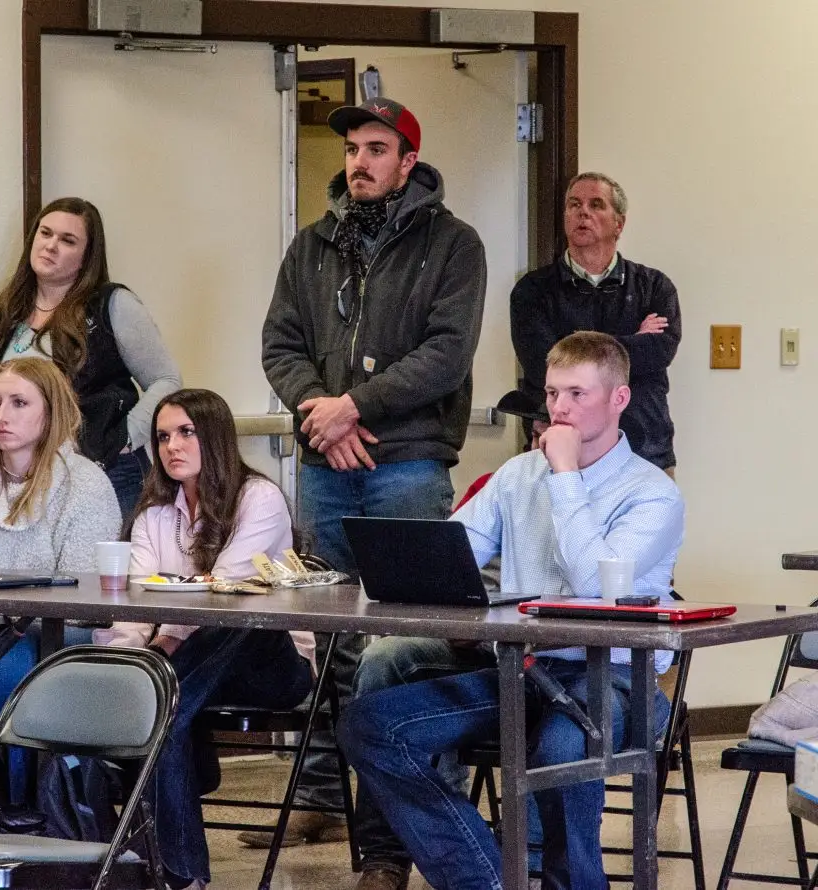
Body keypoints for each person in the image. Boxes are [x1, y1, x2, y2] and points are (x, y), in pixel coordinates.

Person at [338, 332, 684, 890]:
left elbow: (596, 580)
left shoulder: (652, 493)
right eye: (552, 394)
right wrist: (403, 566)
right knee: (372, 726)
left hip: (619, 679)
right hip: (521, 670)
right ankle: (490, 877)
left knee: (563, 744)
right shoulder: (519, 475)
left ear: (619, 399)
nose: (560, 409)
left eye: (577, 394)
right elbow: (454, 550)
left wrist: (566, 476)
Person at [256, 96, 486, 849]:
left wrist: (352, 405)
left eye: (376, 149)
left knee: (399, 645)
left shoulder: (454, 244)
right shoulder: (313, 245)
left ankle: (391, 837)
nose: (359, 162)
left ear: (408, 161)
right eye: (353, 148)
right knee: (328, 640)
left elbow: (445, 355)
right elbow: (280, 345)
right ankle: (323, 798)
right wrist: (318, 409)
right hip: (328, 467)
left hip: (408, 466)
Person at [92, 389, 315, 890]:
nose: (172, 446)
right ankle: (183, 877)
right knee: (163, 707)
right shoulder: (154, 514)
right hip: (191, 674)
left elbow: (227, 591)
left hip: (271, 665)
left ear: (214, 437)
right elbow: (135, 601)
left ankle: (156, 703)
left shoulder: (260, 497)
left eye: (186, 432)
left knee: (239, 617)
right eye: (163, 436)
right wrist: (128, 660)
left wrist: (161, 651)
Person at [0, 356, 122, 804]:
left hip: (68, 630)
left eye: (19, 403)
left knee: (10, 670)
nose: (2, 416)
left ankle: (26, 812)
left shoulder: (85, 484)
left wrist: (7, 619)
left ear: (50, 411)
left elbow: (80, 594)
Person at [0, 196, 181, 518]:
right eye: (45, 233)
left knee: (108, 570)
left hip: (104, 472)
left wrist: (124, 438)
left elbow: (167, 381)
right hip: (26, 477)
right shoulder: (10, 308)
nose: (51, 246)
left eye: (67, 240)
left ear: (86, 258)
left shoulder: (113, 304)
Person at [511, 172, 681, 475]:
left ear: (619, 223)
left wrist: (572, 345)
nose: (582, 212)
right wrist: (631, 340)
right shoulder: (532, 291)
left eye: (596, 204)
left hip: (645, 452)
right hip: (561, 456)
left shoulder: (654, 287)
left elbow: (658, 351)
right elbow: (542, 363)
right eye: (574, 204)